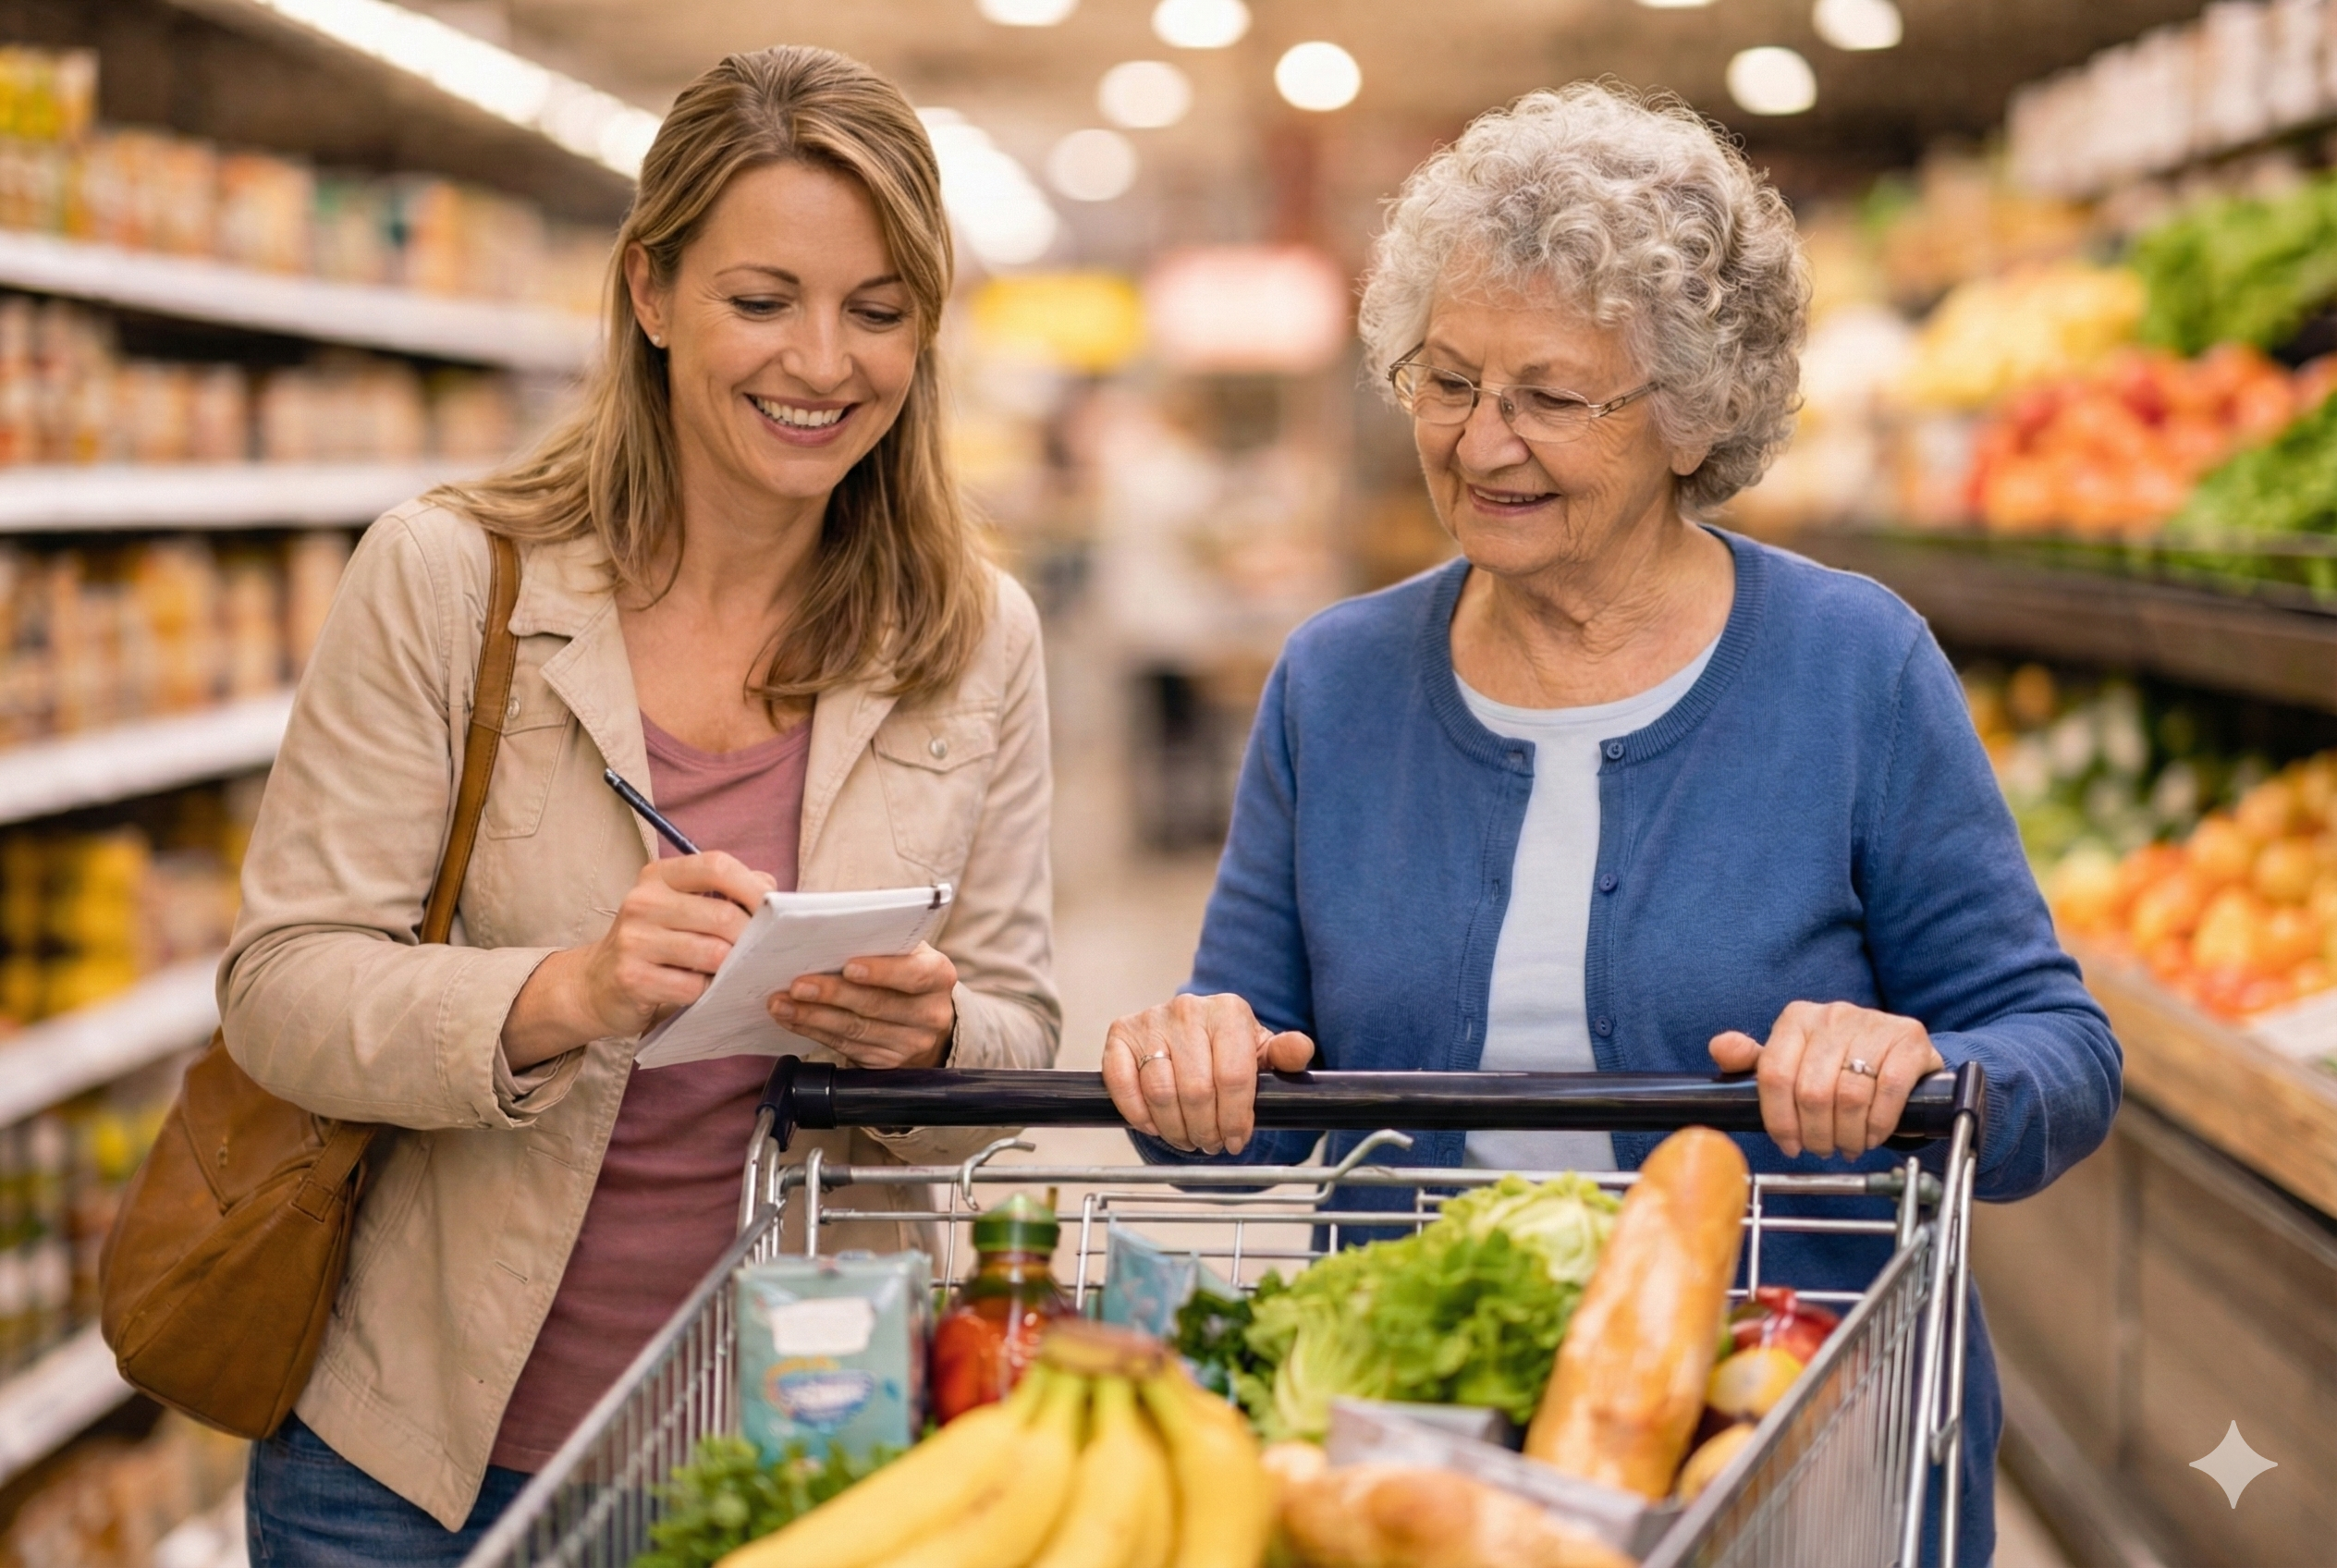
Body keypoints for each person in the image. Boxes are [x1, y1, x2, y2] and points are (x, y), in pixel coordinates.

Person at [1100, 84, 2119, 1566]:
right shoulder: (1338, 678)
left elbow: (2059, 1058)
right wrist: (1188, 1057)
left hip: (1777, 1443)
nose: (1482, 443)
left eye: (1551, 396)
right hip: (1426, 1461)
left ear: (1694, 408)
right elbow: (1248, 1075)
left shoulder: (1853, 666)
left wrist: (1923, 1062)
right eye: (1445, 382)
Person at [224, 46, 1057, 1565]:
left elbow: (1020, 1033)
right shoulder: (450, 577)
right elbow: (279, 992)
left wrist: (933, 1039)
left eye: (879, 311)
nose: (823, 362)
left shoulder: (971, 637)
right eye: (762, 300)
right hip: (416, 1470)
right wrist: (570, 990)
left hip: (797, 1462)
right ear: (651, 295)